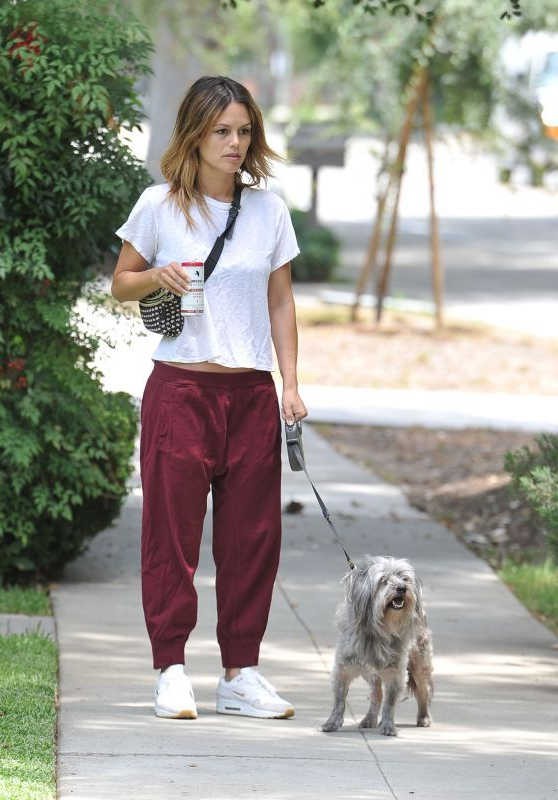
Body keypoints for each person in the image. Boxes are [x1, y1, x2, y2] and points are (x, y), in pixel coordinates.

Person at [111, 75, 308, 721]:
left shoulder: (268, 210)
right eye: (221, 130)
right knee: (172, 536)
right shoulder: (159, 205)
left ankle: (239, 673)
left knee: (253, 538)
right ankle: (170, 668)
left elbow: (280, 300)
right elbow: (120, 284)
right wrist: (153, 276)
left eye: (243, 131)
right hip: (181, 390)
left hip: (251, 392)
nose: (234, 142)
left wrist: (291, 384)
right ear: (193, 134)